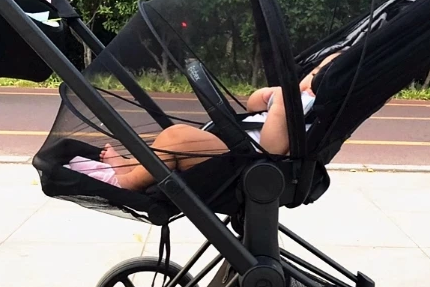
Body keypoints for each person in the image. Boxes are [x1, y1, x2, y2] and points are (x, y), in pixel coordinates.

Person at [97, 52, 342, 191]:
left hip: (246, 164)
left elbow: (272, 149)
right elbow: (252, 109)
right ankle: (131, 165)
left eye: (319, 83)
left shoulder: (308, 113)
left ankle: (127, 183)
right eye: (313, 74)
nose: (310, 84)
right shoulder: (292, 96)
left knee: (177, 138)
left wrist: (280, 108)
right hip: (234, 148)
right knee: (170, 141)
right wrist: (266, 95)